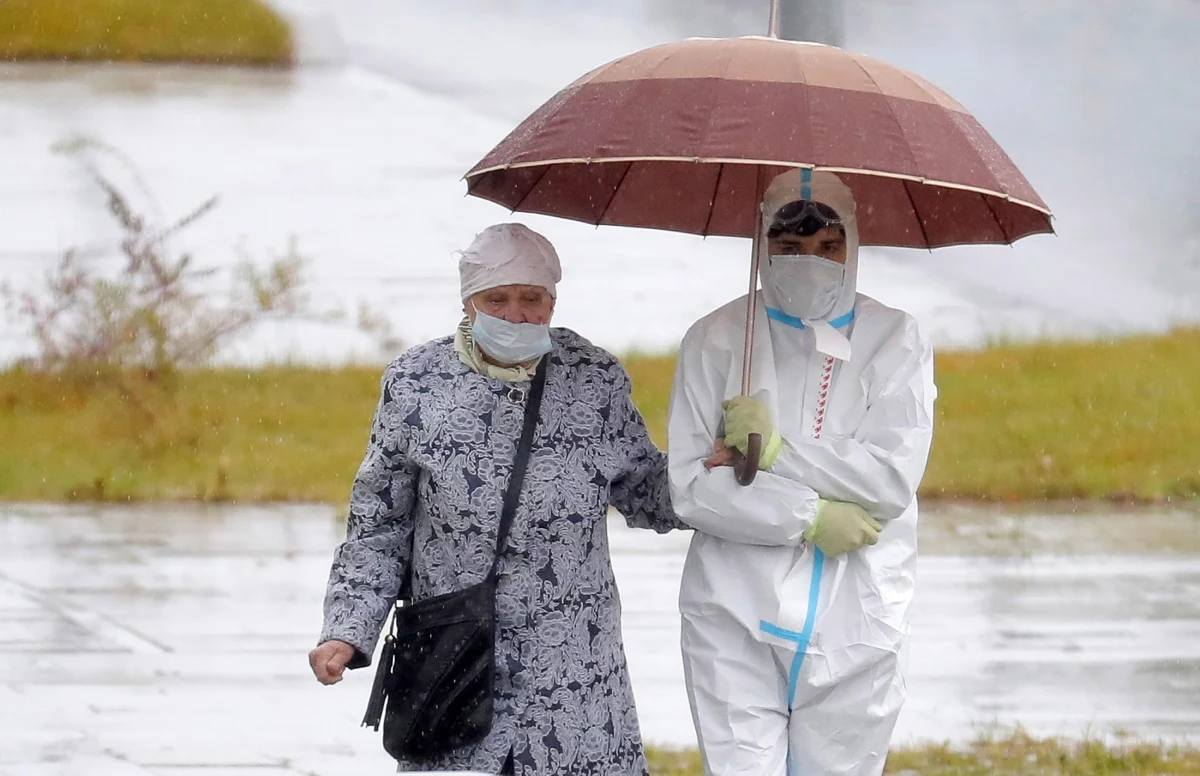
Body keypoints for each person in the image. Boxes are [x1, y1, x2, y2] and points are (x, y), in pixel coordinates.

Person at [308, 223, 683, 775]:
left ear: (553, 299)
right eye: (496, 300)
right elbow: (378, 528)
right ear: (468, 303)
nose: (515, 314)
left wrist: (714, 461)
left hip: (574, 681)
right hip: (454, 670)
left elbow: (649, 496)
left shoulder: (595, 379)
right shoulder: (416, 383)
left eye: (531, 299)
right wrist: (347, 628)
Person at [667, 169, 937, 775]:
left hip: (859, 617)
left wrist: (774, 454)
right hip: (732, 610)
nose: (808, 261)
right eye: (788, 247)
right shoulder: (715, 341)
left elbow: (890, 482)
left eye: (827, 247)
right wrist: (809, 515)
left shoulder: (895, 340)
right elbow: (691, 488)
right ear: (762, 244)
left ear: (853, 245)